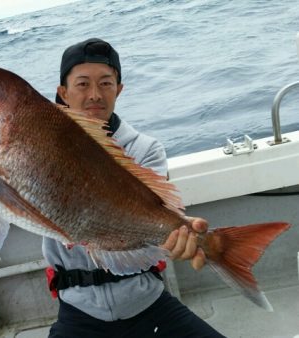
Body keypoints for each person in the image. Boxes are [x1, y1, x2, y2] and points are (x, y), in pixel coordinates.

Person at [42, 38, 225, 338]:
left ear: (119, 89)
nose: (95, 95)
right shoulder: (42, 147)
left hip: (146, 303)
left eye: (106, 83)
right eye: (83, 84)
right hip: (79, 313)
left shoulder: (146, 149)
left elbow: (152, 213)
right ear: (63, 92)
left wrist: (181, 231)